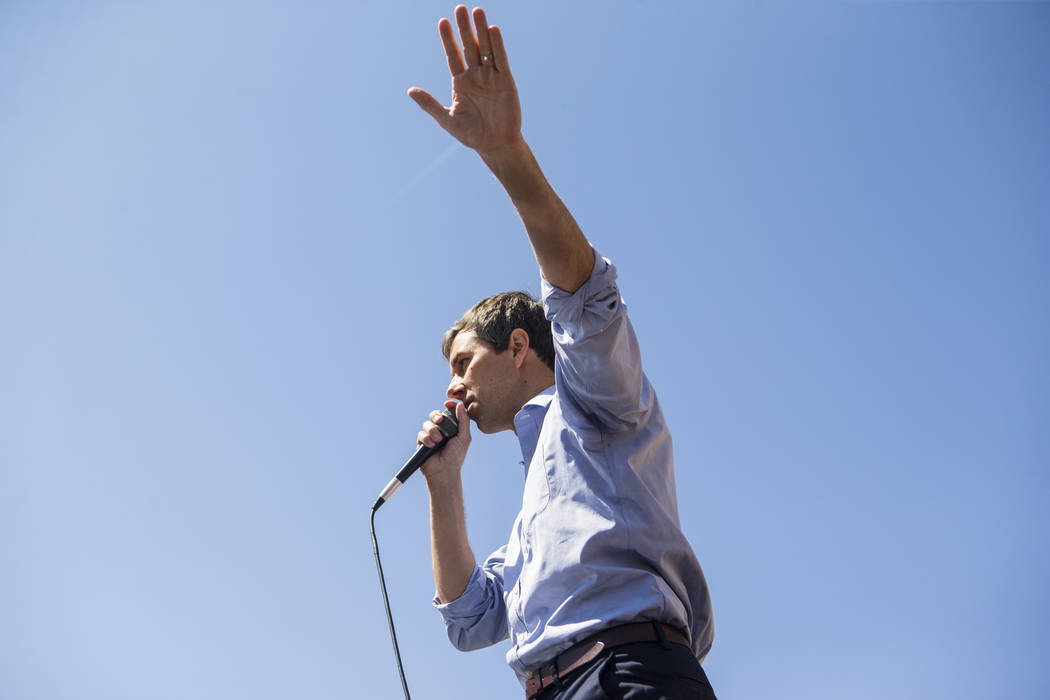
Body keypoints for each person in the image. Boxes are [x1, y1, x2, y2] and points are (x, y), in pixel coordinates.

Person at [408, 6, 716, 699]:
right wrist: (444, 483)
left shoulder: (596, 396)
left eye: (462, 363)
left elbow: (585, 292)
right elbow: (468, 616)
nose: (454, 387)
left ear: (519, 346)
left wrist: (503, 153)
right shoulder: (530, 521)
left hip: (626, 675)